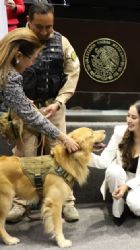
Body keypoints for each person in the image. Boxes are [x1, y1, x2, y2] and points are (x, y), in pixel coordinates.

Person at [7, 1, 81, 223]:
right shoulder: (16, 41)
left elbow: (73, 72)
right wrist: (19, 100)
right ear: (28, 21)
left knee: (62, 154)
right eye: (40, 27)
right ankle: (21, 203)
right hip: (24, 109)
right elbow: (7, 71)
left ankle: (67, 201)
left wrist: (59, 101)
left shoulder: (62, 42)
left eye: (49, 26)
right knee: (24, 156)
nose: (45, 31)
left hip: (53, 106)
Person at [88, 100, 140, 226]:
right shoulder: (119, 132)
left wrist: (127, 186)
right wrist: (81, 155)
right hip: (120, 174)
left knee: (137, 206)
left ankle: (131, 203)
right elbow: (103, 161)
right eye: (128, 115)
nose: (128, 120)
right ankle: (117, 211)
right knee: (113, 171)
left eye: (133, 117)